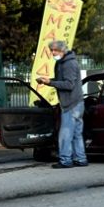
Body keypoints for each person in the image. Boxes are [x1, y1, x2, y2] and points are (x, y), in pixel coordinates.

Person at [37, 40, 88, 168]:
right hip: (76, 102)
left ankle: (65, 160)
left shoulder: (68, 64)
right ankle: (80, 159)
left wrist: (50, 83)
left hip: (71, 104)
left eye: (55, 50)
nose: (53, 53)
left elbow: (68, 84)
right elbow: (63, 81)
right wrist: (48, 81)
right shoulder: (63, 63)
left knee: (65, 134)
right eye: (52, 50)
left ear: (63, 50)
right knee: (77, 134)